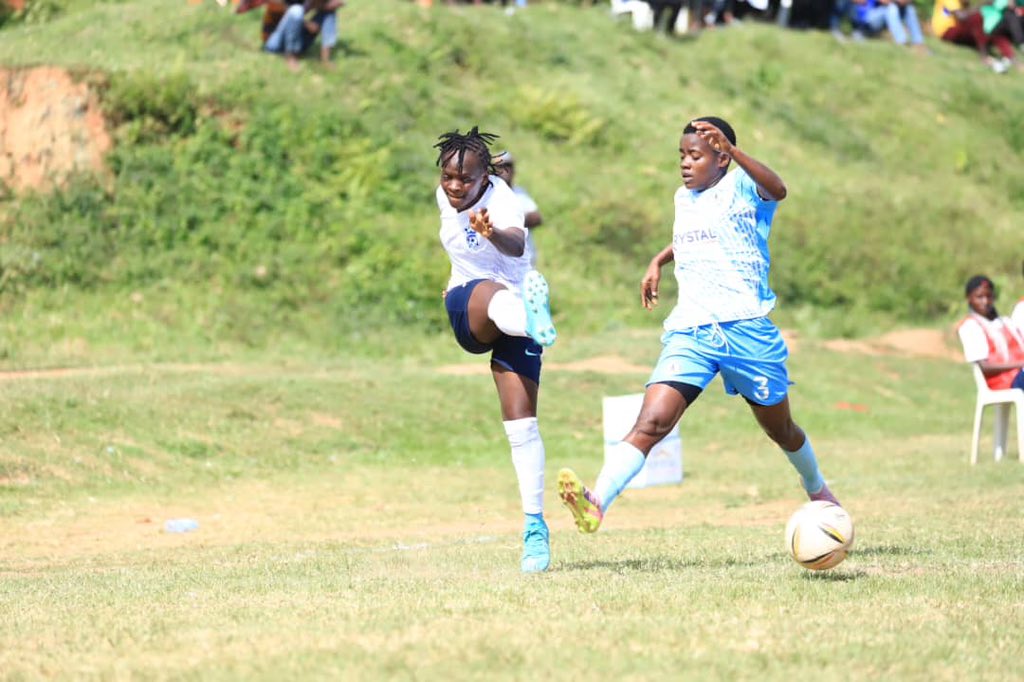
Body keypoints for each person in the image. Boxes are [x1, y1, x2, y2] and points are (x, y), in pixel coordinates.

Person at [557, 116, 841, 536]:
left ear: (722, 157)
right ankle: (597, 502)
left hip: (746, 329)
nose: (685, 164)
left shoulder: (744, 186)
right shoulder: (682, 198)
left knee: (780, 429)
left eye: (696, 155)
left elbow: (778, 189)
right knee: (650, 423)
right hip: (691, 332)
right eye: (682, 156)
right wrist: (658, 260)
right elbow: (698, 234)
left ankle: (817, 489)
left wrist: (736, 152)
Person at [433, 127, 558, 572]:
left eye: (464, 180)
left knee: (522, 426)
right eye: (448, 176)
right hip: (470, 306)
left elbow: (518, 242)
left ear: (485, 177)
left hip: (518, 309)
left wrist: (491, 234)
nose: (454, 186)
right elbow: (454, 188)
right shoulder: (444, 192)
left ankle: (535, 530)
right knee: (488, 290)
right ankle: (530, 316)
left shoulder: (504, 200)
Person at [958, 275, 1024, 391]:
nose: (985, 301)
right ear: (969, 298)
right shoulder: (971, 326)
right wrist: (1020, 364)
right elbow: (985, 367)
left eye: (989, 296)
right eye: (979, 297)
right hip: (1004, 382)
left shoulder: (1006, 322)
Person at [932, 0, 1017, 72]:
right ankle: (984, 56)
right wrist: (983, 4)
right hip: (946, 31)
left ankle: (1011, 57)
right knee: (976, 18)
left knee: (993, 33)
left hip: (961, 30)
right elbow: (962, 17)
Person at [492, 150, 544, 267]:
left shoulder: (520, 192)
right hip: (500, 263)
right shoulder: (489, 194)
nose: (505, 170)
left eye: (508, 166)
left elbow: (537, 218)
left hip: (525, 261)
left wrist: (508, 220)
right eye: (500, 166)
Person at [263, 0, 343, 70]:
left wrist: (326, 6)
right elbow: (279, 7)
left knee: (330, 11)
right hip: (274, 42)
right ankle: (291, 57)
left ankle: (325, 58)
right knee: (296, 10)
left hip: (298, 39)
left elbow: (339, 3)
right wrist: (306, 24)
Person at [851, 0, 928, 52]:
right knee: (892, 8)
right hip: (867, 21)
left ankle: (918, 43)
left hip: (883, 16)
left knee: (909, 8)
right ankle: (901, 43)